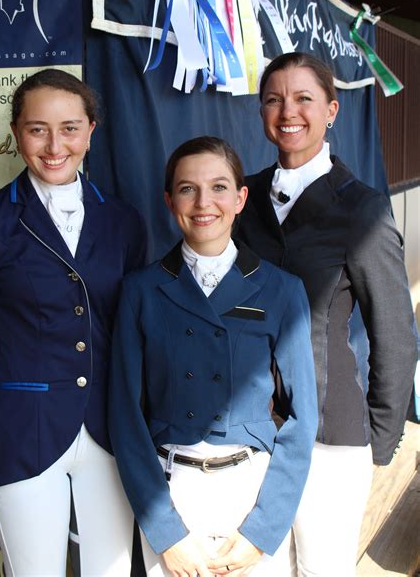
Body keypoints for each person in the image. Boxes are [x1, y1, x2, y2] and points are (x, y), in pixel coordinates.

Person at [0, 69, 146, 576]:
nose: (55, 145)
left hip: (110, 429)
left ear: (91, 131)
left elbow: (134, 329)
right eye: (38, 129)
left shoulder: (123, 221)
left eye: (70, 128)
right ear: (16, 133)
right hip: (21, 430)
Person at [236, 52, 418, 577]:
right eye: (273, 99)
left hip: (332, 434)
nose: (287, 111)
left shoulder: (361, 208)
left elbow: (396, 334)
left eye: (303, 98)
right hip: (252, 430)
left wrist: (379, 439)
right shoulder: (242, 199)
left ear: (332, 110)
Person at [108, 136, 318, 577]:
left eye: (220, 187)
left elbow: (303, 421)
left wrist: (263, 529)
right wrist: (166, 532)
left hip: (250, 489)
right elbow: (125, 418)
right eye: (188, 188)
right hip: (171, 491)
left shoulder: (282, 289)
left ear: (241, 198)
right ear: (169, 201)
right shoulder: (140, 291)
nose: (204, 202)